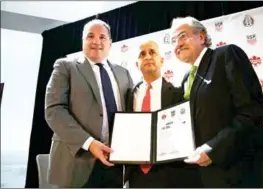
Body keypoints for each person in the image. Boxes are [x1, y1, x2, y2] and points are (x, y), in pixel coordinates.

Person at [170, 16, 263, 188]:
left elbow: (252, 111)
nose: (177, 44)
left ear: (201, 37)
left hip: (246, 172)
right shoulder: (186, 79)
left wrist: (213, 149)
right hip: (211, 177)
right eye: (173, 41)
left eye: (182, 36)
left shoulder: (226, 55)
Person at [45, 19, 134, 188]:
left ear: (110, 43)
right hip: (76, 161)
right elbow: (54, 111)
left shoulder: (124, 73)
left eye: (102, 37)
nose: (96, 41)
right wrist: (89, 143)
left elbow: (131, 114)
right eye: (90, 36)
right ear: (83, 40)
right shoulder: (65, 67)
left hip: (115, 163)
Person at [124, 40, 202, 188]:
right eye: (142, 54)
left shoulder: (178, 93)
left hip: (170, 173)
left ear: (162, 60)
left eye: (152, 52)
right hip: (136, 175)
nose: (147, 57)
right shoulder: (128, 95)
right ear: (136, 64)